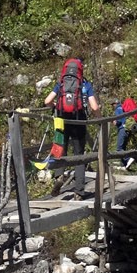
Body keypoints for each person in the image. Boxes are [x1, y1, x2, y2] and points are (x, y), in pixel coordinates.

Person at [42, 58, 99, 191]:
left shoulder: (61, 83)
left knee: (61, 148)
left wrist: (56, 106)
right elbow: (94, 107)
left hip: (62, 120)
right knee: (79, 155)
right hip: (79, 121)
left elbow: (47, 101)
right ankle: (79, 191)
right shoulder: (84, 84)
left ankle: (59, 176)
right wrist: (100, 120)